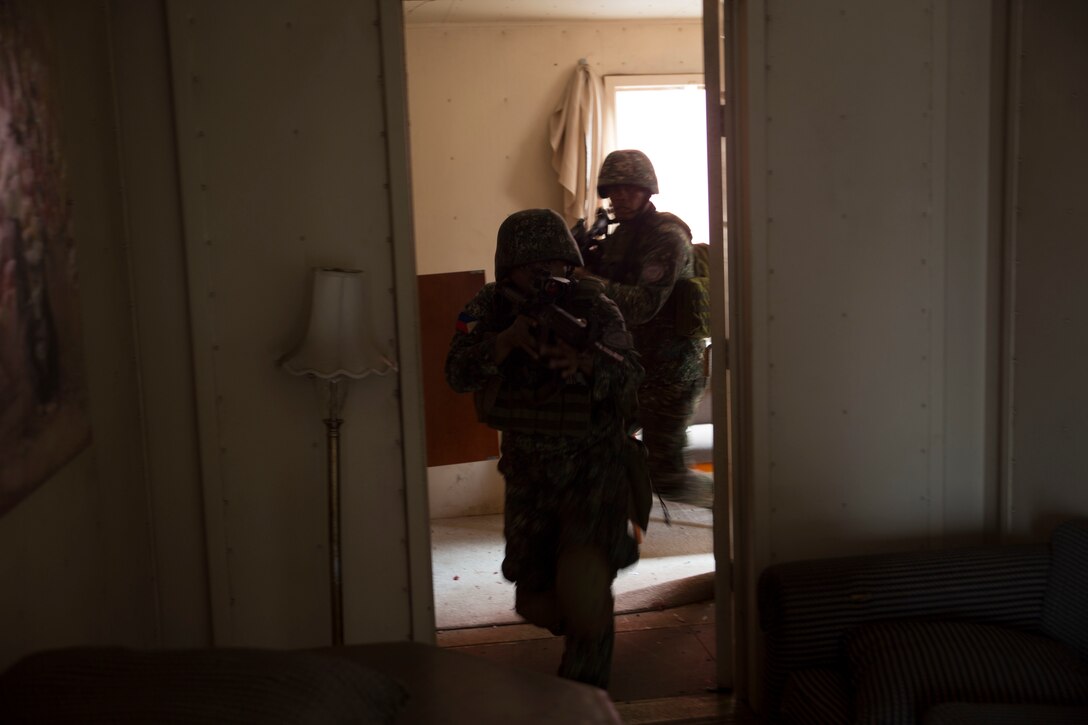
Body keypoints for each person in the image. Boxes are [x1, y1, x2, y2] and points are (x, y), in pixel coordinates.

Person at [445, 208, 648, 690]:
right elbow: (456, 374)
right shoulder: (488, 308)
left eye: (557, 265)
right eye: (534, 267)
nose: (547, 276)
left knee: (584, 587)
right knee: (534, 598)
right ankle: (578, 621)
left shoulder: (595, 304)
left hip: (592, 470)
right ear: (508, 267)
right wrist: (505, 342)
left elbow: (633, 377)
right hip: (529, 474)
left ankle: (586, 694)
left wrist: (585, 360)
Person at [575, 149, 713, 508]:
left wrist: (588, 280)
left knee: (667, 477)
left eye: (630, 189)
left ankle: (734, 502)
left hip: (669, 375)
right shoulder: (622, 236)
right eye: (614, 189)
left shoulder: (666, 237)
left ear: (647, 190)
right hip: (630, 368)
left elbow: (642, 306)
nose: (620, 196)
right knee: (595, 445)